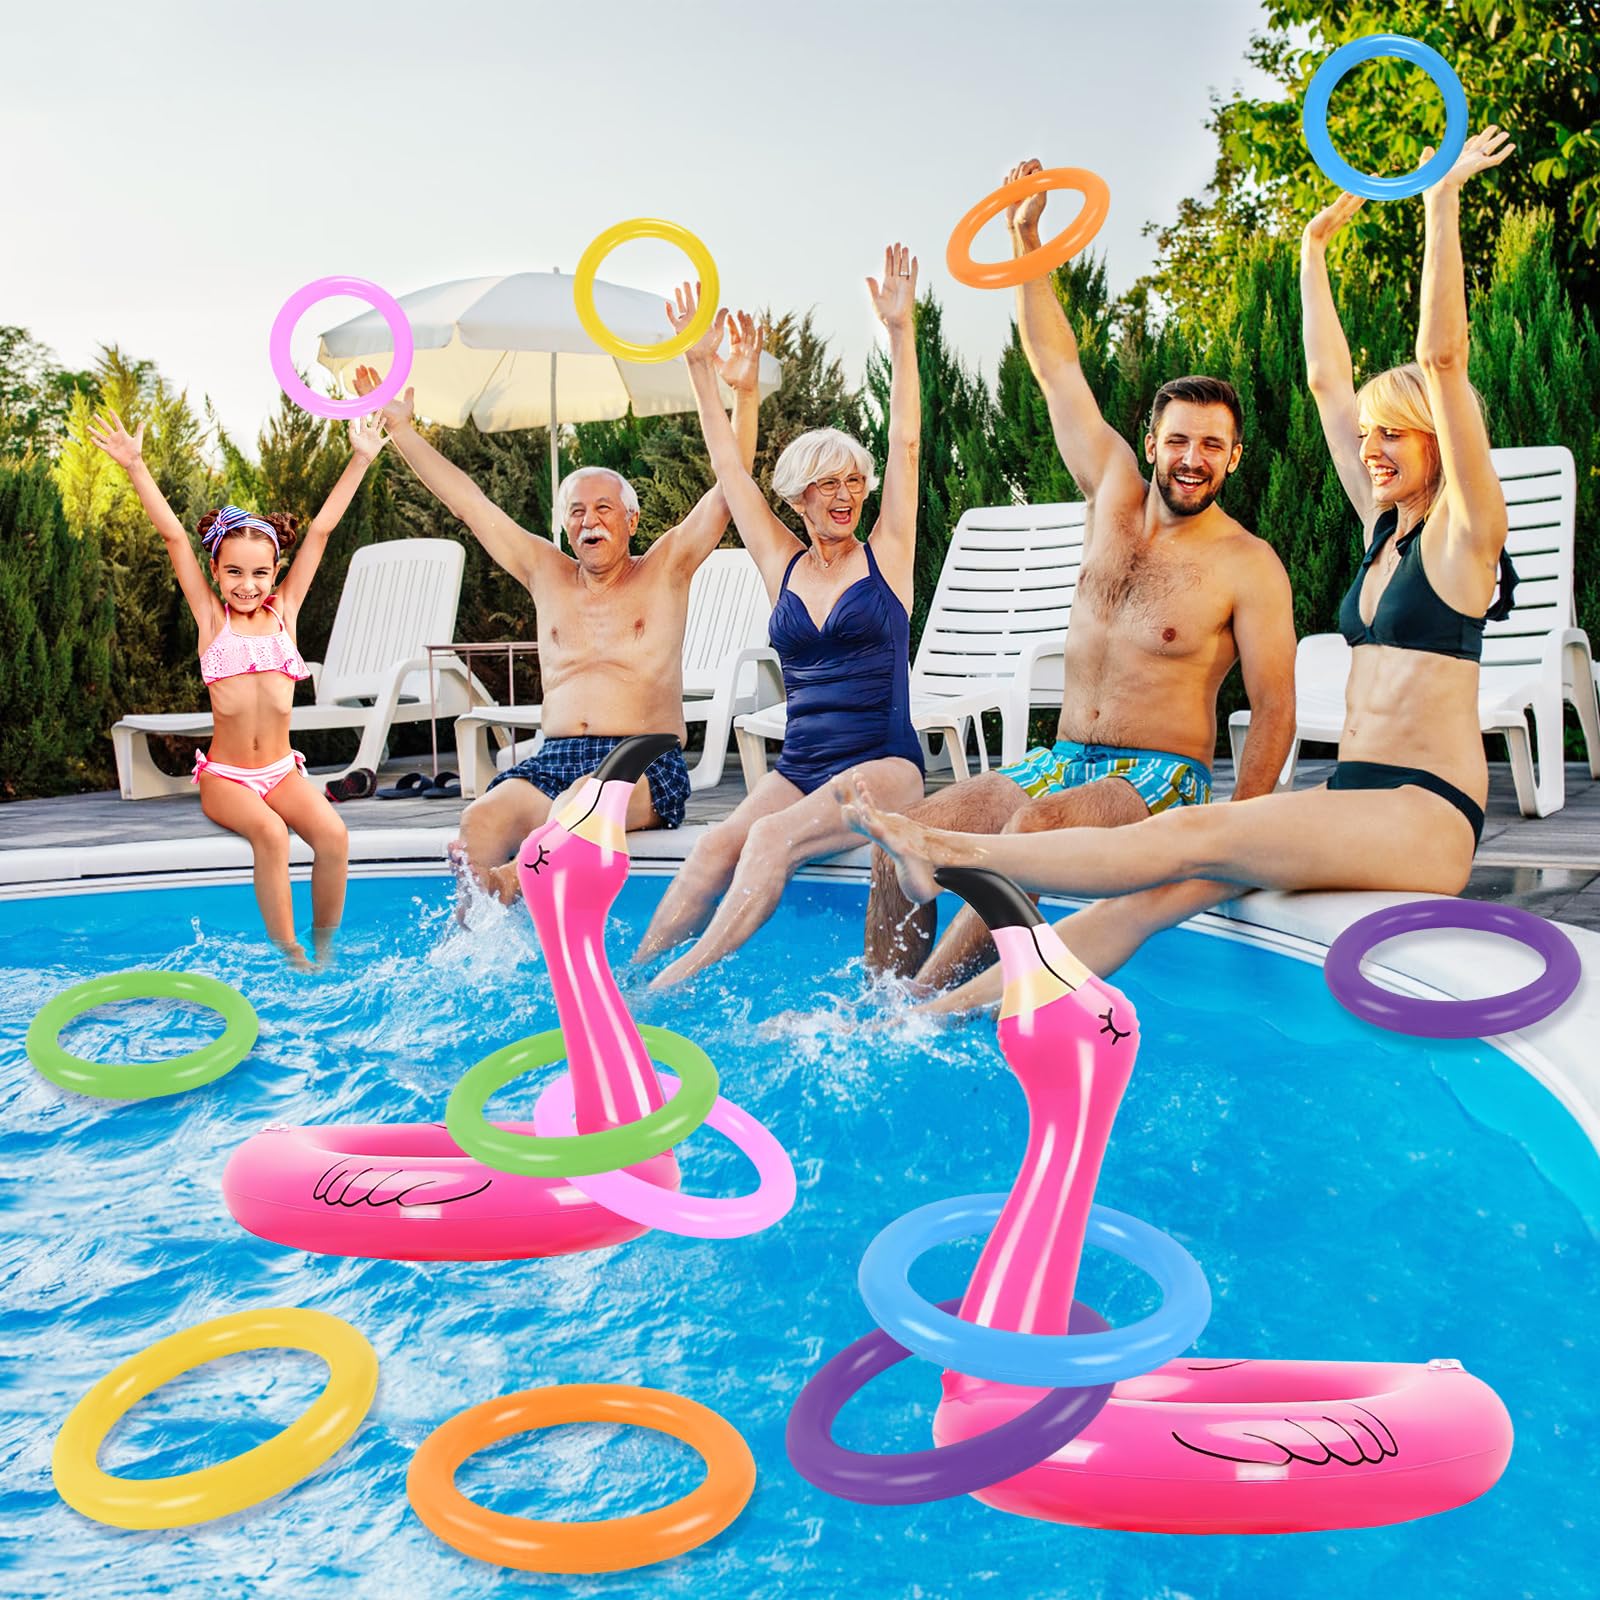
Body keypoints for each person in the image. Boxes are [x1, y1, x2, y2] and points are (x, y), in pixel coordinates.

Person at [840, 129, 1518, 995]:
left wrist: (1441, 199)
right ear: (1154, 444)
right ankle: (922, 1017)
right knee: (1149, 900)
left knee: (1176, 840)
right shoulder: (1379, 527)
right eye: (1368, 436)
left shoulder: (1464, 534)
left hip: (1423, 807)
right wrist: (1311, 252)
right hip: (1350, 790)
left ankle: (948, 856)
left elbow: (1444, 359)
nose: (1372, 448)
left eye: (1393, 433)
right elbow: (1322, 381)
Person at [863, 159, 1298, 991]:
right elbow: (1056, 368)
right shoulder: (1112, 488)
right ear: (1153, 438)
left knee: (1028, 834)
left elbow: (1274, 706)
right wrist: (1025, 241)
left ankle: (921, 1012)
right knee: (903, 838)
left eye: (1212, 445)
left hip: (1154, 784)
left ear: (1234, 458)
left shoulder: (1248, 564)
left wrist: (1236, 834)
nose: (1191, 458)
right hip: (1059, 759)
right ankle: (873, 1003)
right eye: (1178, 440)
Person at [351, 293, 763, 905]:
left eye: (603, 509)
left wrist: (742, 394)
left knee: (580, 805)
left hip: (643, 760)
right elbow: (470, 504)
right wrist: (403, 432)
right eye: (577, 511)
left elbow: (733, 488)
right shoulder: (547, 572)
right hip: (555, 755)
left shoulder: (666, 569)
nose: (589, 520)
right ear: (564, 526)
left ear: (631, 519)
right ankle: (470, 957)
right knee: (478, 825)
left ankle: (512, 886)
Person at [633, 247, 926, 986]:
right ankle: (632, 976)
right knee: (715, 844)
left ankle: (669, 989)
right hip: (801, 766)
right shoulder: (783, 562)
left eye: (855, 481)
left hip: (883, 763)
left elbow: (908, 443)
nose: (846, 494)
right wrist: (701, 369)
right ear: (799, 495)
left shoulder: (886, 555)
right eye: (828, 482)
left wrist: (900, 333)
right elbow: (730, 472)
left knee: (768, 841)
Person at [89, 409, 386, 968]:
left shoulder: (286, 613)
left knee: (334, 837)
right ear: (217, 570)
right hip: (227, 777)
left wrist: (361, 458)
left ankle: (326, 947)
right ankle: (290, 951)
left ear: (275, 572)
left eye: (259, 573)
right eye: (234, 573)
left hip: (281, 771)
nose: (247, 585)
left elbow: (320, 531)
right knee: (271, 836)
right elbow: (174, 535)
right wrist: (134, 467)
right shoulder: (211, 620)